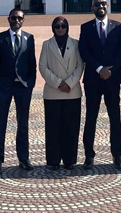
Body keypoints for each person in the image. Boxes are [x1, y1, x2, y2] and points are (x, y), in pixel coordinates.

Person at [78, 0, 121, 170]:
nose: (101, 6)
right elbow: (84, 51)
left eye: (103, 3)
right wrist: (99, 69)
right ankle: (89, 156)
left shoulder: (118, 27)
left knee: (115, 118)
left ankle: (117, 155)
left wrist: (109, 69)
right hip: (93, 79)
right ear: (92, 8)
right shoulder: (86, 27)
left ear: (108, 6)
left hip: (112, 79)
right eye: (97, 4)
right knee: (91, 117)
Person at [0, 8, 36, 173]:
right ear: (8, 19)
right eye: (14, 18)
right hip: (4, 86)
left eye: (20, 18)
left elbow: (32, 62)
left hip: (23, 87)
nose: (17, 21)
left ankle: (23, 158)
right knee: (0, 122)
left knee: (22, 123)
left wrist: (31, 82)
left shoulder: (29, 38)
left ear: (23, 20)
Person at [38, 16, 84, 170]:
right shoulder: (47, 44)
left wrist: (69, 83)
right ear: (53, 28)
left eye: (63, 26)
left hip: (72, 91)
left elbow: (80, 65)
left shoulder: (76, 44)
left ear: (67, 27)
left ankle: (70, 160)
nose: (60, 28)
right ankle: (53, 160)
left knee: (71, 127)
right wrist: (58, 83)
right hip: (53, 92)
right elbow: (43, 67)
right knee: (53, 128)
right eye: (57, 26)